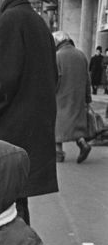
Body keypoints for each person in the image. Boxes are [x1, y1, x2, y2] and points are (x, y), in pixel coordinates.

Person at [0, 0, 58, 226]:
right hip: (33, 125)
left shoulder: (10, 20)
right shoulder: (36, 21)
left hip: (12, 127)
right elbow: (53, 75)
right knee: (16, 197)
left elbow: (2, 79)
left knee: (8, 197)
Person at [53, 31, 92, 164]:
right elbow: (88, 79)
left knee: (58, 124)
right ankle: (82, 144)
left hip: (61, 97)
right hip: (78, 97)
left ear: (57, 42)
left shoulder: (57, 56)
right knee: (76, 125)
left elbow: (54, 79)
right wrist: (88, 98)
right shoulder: (81, 55)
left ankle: (58, 153)